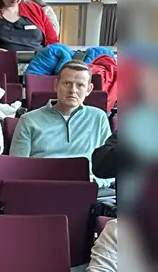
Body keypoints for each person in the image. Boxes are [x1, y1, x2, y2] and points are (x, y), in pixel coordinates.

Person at [10, 61, 114, 198]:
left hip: (87, 190)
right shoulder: (28, 120)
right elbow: (16, 168)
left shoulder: (98, 117)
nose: (73, 90)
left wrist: (95, 182)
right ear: (56, 85)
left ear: (89, 89)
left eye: (80, 85)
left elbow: (110, 169)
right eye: (67, 83)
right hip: (42, 190)